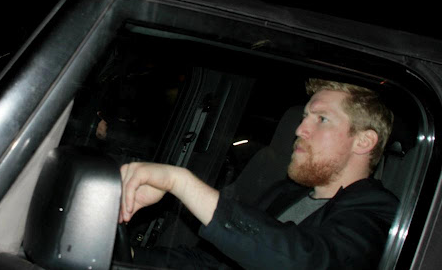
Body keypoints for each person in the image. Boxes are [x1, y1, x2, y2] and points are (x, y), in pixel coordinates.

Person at [119, 79, 399, 269]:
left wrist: (180, 182)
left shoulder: (379, 211)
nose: (300, 129)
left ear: (363, 141)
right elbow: (214, 263)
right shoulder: (284, 193)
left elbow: (307, 261)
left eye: (321, 119)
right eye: (304, 117)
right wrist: (128, 256)